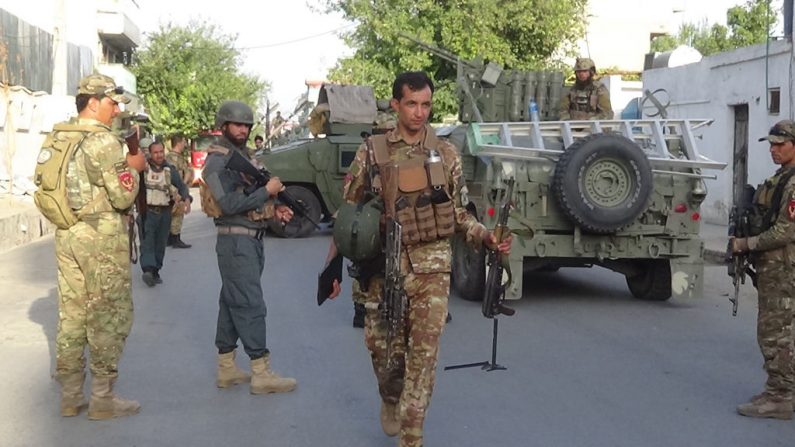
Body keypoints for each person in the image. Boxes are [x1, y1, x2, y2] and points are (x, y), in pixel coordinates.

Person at [328, 71, 511, 446]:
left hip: (432, 269)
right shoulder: (373, 151)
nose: (419, 112)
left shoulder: (445, 153)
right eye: (411, 103)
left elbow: (459, 213)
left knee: (422, 360)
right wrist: (331, 267)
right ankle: (389, 397)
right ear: (396, 104)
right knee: (385, 357)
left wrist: (484, 236)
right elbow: (348, 213)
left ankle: (412, 437)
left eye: (426, 104)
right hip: (382, 268)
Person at [49, 74, 147, 419]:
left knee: (72, 315)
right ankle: (103, 397)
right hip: (101, 237)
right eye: (112, 101)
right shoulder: (103, 142)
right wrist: (134, 168)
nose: (116, 108)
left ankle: (71, 396)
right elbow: (123, 194)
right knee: (108, 313)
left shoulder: (61, 134)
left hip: (67, 232)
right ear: (93, 101)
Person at [201, 100, 297, 394]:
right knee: (251, 304)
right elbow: (229, 204)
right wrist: (267, 193)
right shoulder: (217, 161)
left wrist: (275, 208)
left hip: (248, 240)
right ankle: (261, 370)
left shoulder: (242, 156)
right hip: (236, 242)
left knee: (231, 303)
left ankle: (227, 367)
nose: (242, 129)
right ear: (224, 125)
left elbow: (251, 197)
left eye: (246, 125)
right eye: (237, 124)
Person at [731, 119, 795, 420]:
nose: (774, 150)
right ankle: (778, 390)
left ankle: (780, 398)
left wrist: (746, 244)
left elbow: (785, 231)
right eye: (771, 144)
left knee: (775, 334)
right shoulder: (782, 177)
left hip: (784, 269)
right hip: (774, 268)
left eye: (780, 145)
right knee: (779, 332)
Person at [139, 141, 191, 287]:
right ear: (150, 153)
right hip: (148, 212)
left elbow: (181, 186)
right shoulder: (142, 169)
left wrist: (186, 199)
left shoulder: (169, 170)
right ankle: (148, 270)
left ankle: (155, 270)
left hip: (165, 212)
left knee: (160, 243)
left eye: (161, 151)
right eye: (156, 152)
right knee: (148, 241)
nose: (159, 155)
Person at [166, 135, 194, 249]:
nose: (185, 144)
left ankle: (170, 238)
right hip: (176, 190)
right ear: (178, 143)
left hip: (176, 188)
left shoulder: (172, 157)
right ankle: (175, 238)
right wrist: (181, 187)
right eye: (184, 142)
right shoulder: (173, 158)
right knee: (178, 214)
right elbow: (174, 176)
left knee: (172, 214)